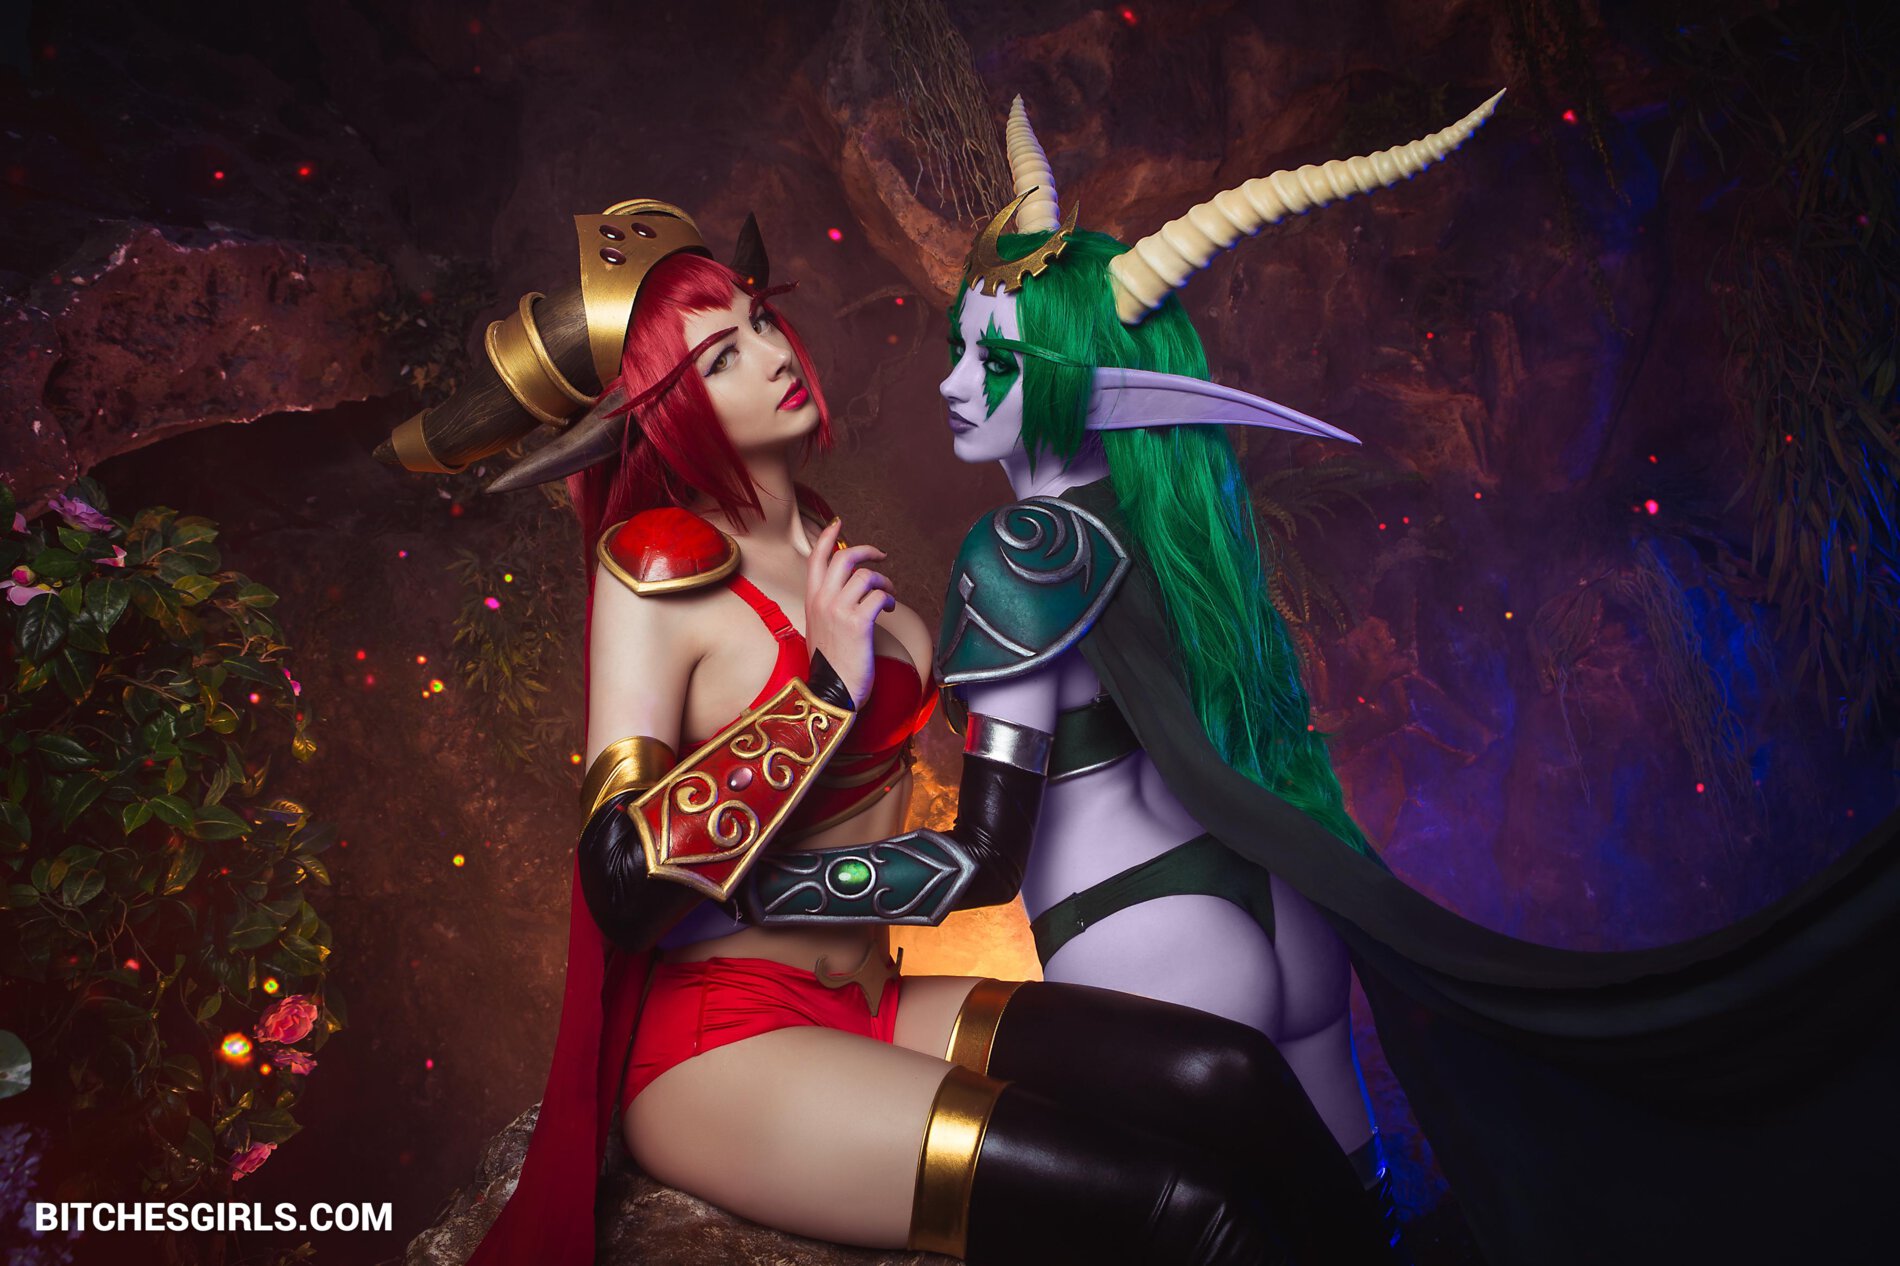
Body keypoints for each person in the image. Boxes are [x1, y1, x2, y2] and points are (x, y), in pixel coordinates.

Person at [830, 96, 1897, 1266]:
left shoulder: (1021, 551)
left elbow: (983, 855)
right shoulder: (1183, 530)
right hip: (1288, 926)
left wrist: (753, 883)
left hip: (1146, 943)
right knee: (1359, 1232)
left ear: (1087, 382)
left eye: (995, 361)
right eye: (961, 347)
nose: (954, 383)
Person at [380, 200, 1391, 1265]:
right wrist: (822, 688)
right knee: (1185, 1208)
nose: (774, 353)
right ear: (661, 416)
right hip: (723, 1042)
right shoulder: (656, 569)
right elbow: (619, 884)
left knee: (1229, 1076)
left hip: (875, 997)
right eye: (721, 357)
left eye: (760, 319)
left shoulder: (822, 533)